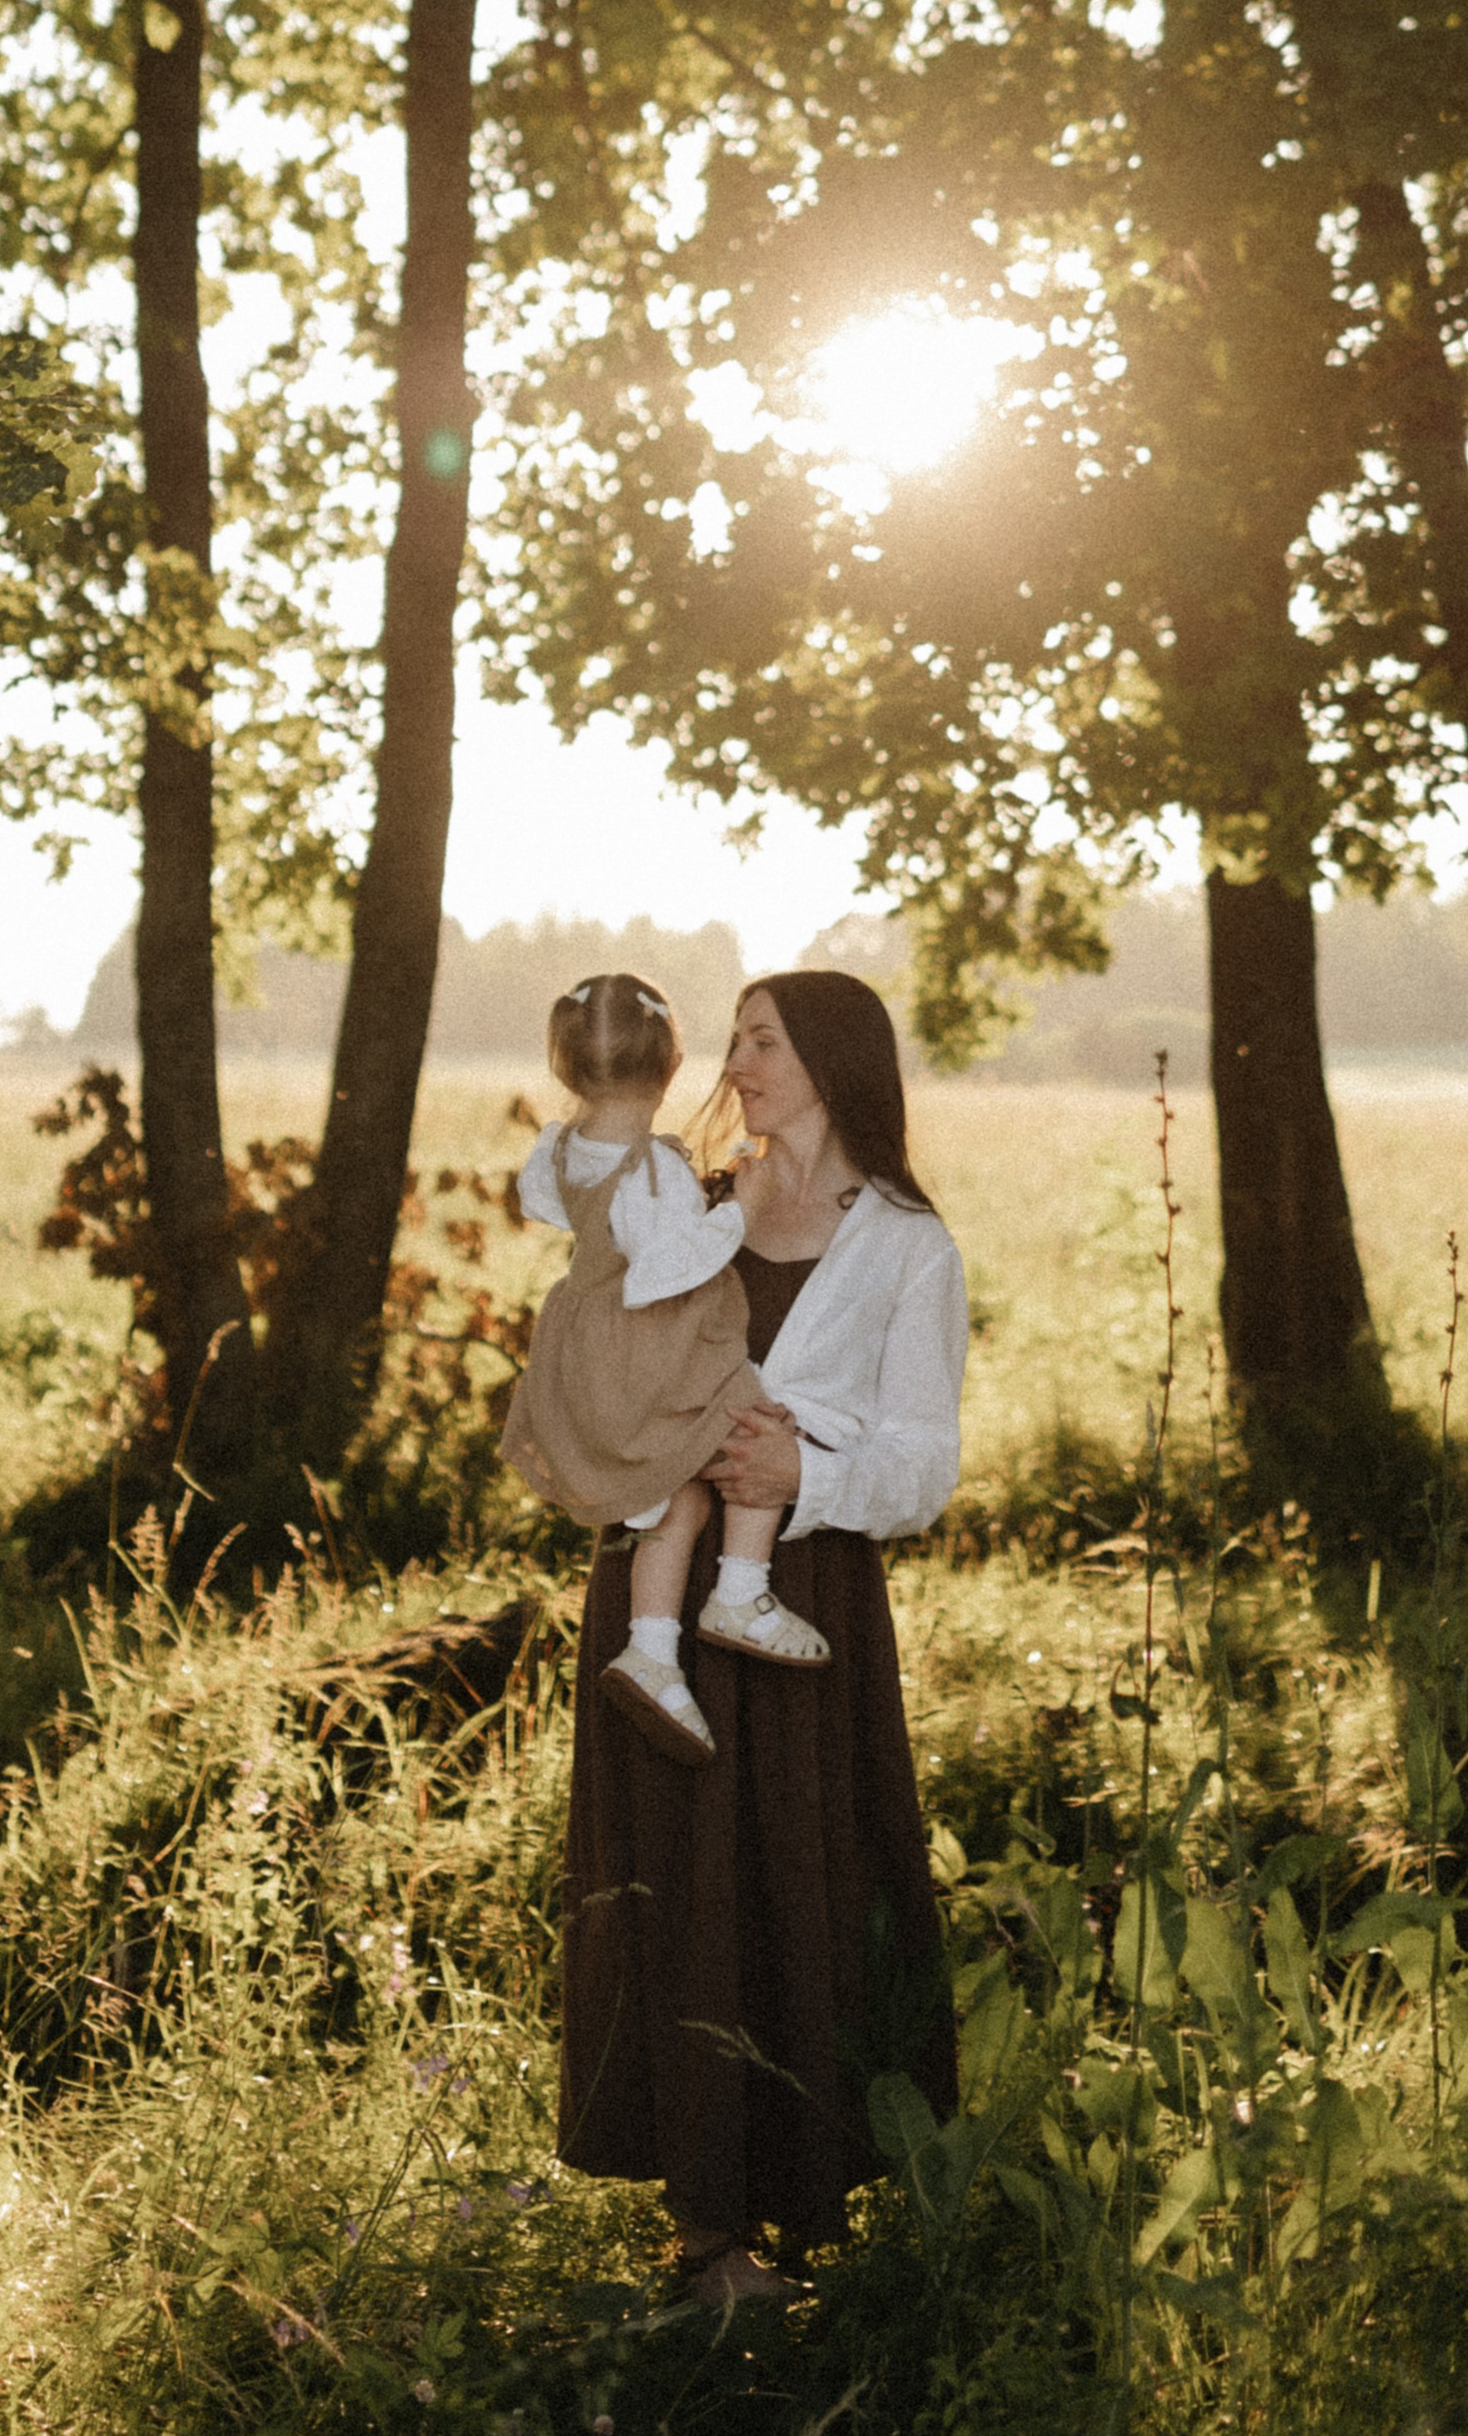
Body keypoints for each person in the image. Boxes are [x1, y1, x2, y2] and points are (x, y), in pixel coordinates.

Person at [557, 969, 969, 2308]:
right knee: (675, 1887)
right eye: (730, 1038)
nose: (736, 1060)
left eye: (764, 1038)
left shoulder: (909, 1245)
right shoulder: (693, 1210)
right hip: (659, 1598)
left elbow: (923, 1466)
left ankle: (800, 2209)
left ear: (837, 1060)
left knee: (798, 1886)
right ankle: (704, 2240)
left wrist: (804, 1476)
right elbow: (596, 1354)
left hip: (804, 1603)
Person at [501, 972, 833, 1768]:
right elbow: (665, 1270)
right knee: (756, 1422)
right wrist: (737, 1210)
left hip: (587, 1349)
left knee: (677, 1497)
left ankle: (651, 1650)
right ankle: (740, 1589)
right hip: (655, 1346)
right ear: (671, 1065)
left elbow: (541, 1201)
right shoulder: (653, 1174)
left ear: (567, 1068)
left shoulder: (561, 1149)